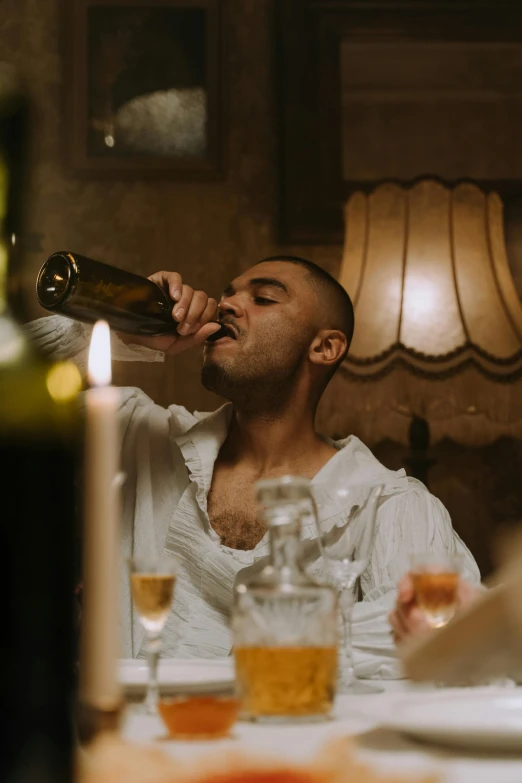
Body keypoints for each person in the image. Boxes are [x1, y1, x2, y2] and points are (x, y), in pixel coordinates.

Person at [27, 255, 480, 677]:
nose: (225, 305)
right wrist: (115, 323)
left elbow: (452, 642)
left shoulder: (386, 506)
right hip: (125, 755)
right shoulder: (135, 436)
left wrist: (266, 649)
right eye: (228, 294)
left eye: (263, 298)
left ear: (325, 347)